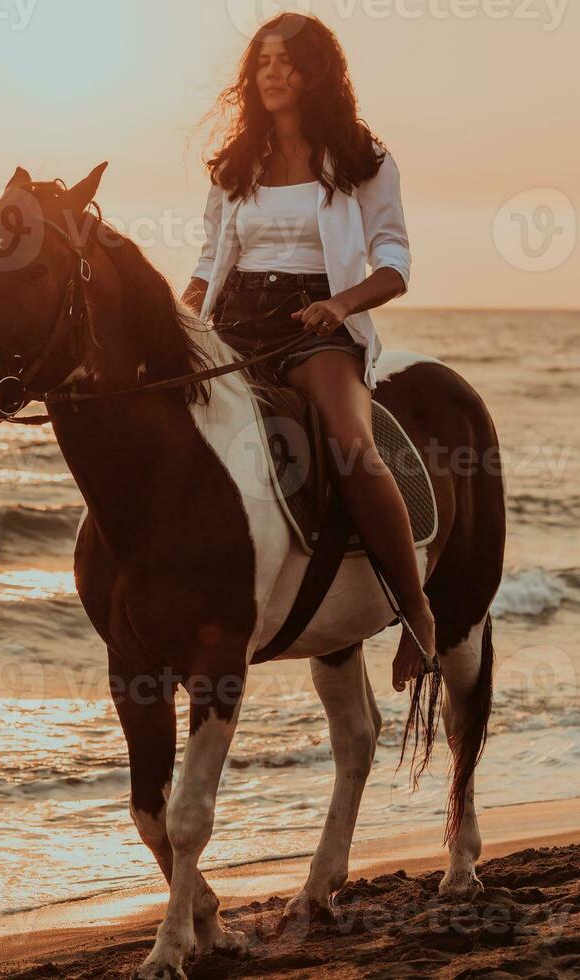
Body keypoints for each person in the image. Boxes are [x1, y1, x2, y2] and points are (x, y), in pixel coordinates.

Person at [181, 11, 435, 691]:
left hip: (316, 325)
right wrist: (181, 314)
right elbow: (210, 260)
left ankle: (416, 614)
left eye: (286, 61)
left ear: (316, 71)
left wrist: (342, 305)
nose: (272, 73)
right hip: (233, 323)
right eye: (262, 61)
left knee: (352, 446)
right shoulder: (237, 164)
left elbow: (396, 262)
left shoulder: (361, 161)